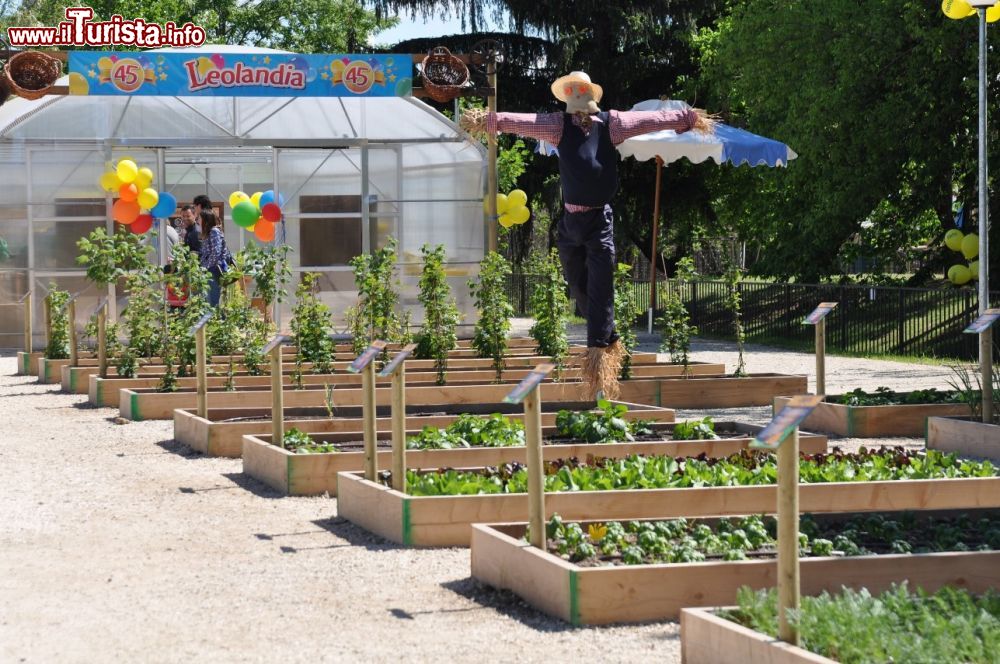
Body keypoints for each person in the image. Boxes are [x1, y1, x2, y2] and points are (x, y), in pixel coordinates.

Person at [461, 71, 713, 398]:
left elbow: (650, 120)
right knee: (576, 284)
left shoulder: (613, 124)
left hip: (599, 221)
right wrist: (486, 120)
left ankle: (597, 353)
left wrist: (686, 118)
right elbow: (520, 121)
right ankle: (610, 337)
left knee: (600, 286)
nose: (579, 109)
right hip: (570, 223)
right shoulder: (556, 125)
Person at [199, 209, 231, 308]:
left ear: (205, 220)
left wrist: (206, 266)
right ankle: (216, 320)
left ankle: (218, 321)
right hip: (210, 269)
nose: (198, 220)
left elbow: (216, 252)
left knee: (213, 299)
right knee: (210, 298)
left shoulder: (214, 231)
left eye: (199, 218)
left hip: (213, 269)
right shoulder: (209, 232)